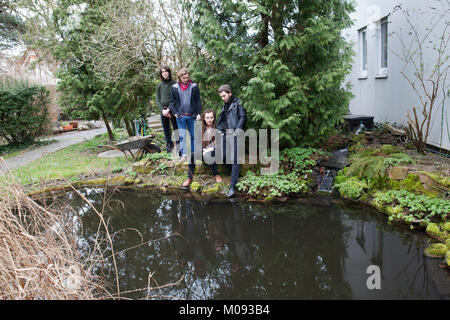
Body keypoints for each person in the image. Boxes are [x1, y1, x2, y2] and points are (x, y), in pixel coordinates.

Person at [216, 84, 246, 198]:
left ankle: (233, 186)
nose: (223, 98)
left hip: (236, 134)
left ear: (230, 93)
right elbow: (223, 120)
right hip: (226, 134)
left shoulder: (238, 103)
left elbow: (243, 117)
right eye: (221, 97)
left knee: (234, 159)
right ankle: (235, 173)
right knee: (222, 156)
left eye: (224, 96)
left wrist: (237, 131)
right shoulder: (225, 105)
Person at [182, 109, 223, 189]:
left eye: (211, 117)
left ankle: (216, 174)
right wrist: (202, 150)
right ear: (204, 118)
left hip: (214, 153)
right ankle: (189, 177)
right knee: (193, 155)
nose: (209, 120)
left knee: (211, 153)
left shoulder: (218, 127)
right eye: (207, 118)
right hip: (203, 152)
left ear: (214, 118)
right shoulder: (200, 128)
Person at [169, 68, 202, 161]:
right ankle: (184, 154)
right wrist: (175, 113)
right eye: (184, 78)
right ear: (179, 78)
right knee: (182, 136)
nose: (186, 79)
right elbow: (172, 103)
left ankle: (193, 154)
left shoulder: (194, 86)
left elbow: (198, 101)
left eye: (187, 77)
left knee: (193, 136)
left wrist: (198, 113)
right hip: (180, 116)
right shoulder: (174, 87)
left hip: (192, 115)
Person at [155, 66, 179, 153]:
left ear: (169, 72)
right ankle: (169, 149)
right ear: (161, 74)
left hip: (173, 110)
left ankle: (180, 150)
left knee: (176, 129)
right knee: (166, 131)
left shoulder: (174, 83)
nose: (164, 73)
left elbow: (176, 98)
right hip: (163, 111)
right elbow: (157, 99)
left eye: (166, 71)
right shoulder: (159, 85)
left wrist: (169, 109)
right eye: (162, 72)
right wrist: (162, 110)